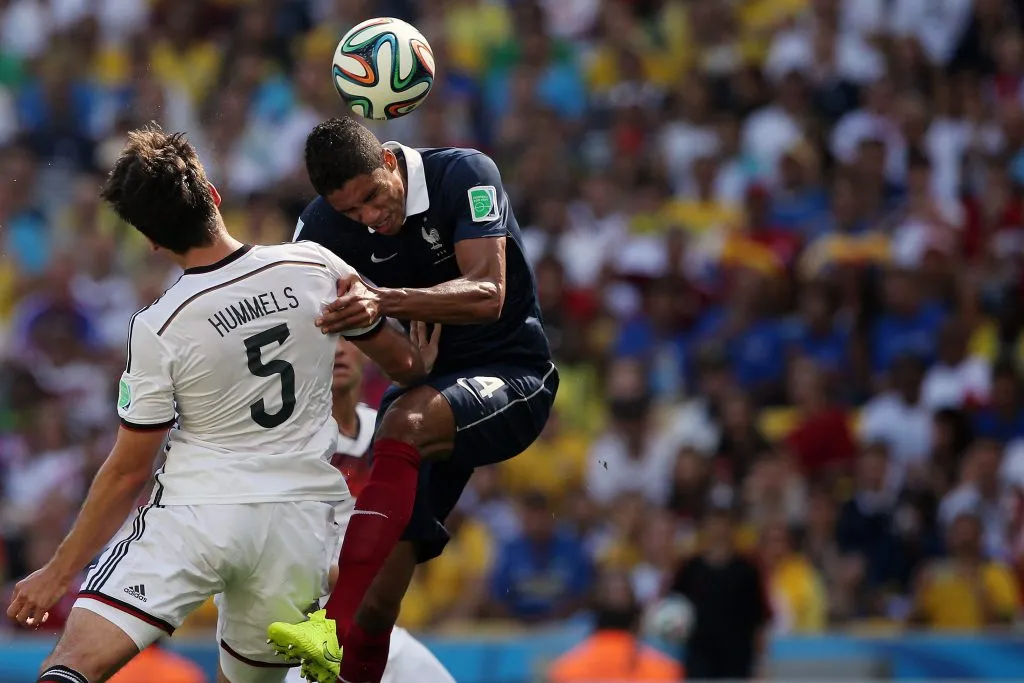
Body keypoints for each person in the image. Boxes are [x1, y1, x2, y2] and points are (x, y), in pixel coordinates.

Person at [5, 126, 436, 683]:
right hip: (296, 530)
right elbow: (405, 365)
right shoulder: (315, 267)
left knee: (73, 665)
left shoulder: (159, 327)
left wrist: (58, 573)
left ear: (152, 241)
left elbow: (128, 470)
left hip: (198, 513)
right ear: (213, 193)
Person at [269, 116, 559, 683]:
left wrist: (387, 301)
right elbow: (379, 351)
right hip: (428, 391)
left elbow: (488, 292)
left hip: (514, 373)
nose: (370, 219)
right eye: (351, 213)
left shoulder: (464, 174)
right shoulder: (320, 230)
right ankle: (343, 636)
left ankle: (326, 624)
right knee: (380, 604)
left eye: (374, 198)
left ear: (391, 162)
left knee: (399, 422)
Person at [282, 338, 456, 683]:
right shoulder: (289, 446)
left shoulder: (392, 432)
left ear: (367, 349)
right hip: (311, 635)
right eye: (324, 339)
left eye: (347, 337)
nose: (337, 349)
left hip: (379, 632)